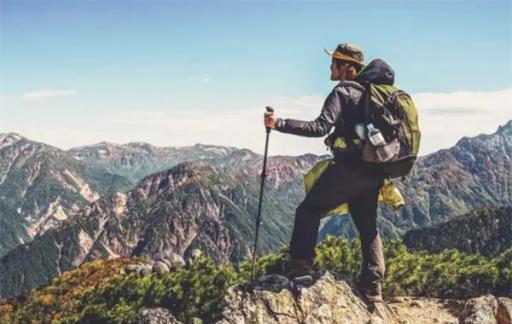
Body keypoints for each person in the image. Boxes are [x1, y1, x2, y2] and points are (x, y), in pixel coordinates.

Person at [263, 43, 397, 303]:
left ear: (347, 67)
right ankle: (373, 287)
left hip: (348, 170)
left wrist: (279, 124)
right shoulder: (372, 93)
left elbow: (319, 127)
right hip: (374, 171)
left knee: (308, 211)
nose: (330, 67)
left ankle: (301, 268)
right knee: (367, 227)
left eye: (334, 62)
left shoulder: (343, 91)